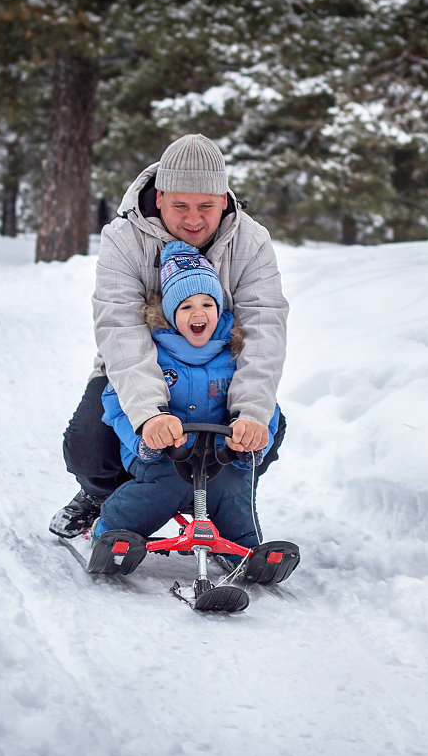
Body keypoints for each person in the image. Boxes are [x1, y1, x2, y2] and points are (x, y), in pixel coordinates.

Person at [49, 133, 289, 538]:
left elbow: (264, 328)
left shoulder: (251, 242)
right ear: (159, 197)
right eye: (180, 206)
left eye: (206, 207)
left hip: (218, 377)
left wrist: (250, 413)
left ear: (224, 201)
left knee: (267, 426)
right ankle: (108, 496)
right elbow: (120, 329)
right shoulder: (124, 239)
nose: (193, 220)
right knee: (88, 445)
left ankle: (213, 498)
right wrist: (148, 415)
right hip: (139, 372)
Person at [89, 241, 279, 549]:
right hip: (163, 454)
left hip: (220, 456)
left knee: (232, 491)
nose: (198, 313)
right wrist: (145, 436)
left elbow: (266, 401)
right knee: (162, 488)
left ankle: (245, 552)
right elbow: (117, 402)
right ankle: (111, 529)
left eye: (207, 304)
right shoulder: (154, 353)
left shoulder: (233, 353)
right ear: (170, 313)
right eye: (186, 306)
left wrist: (254, 436)